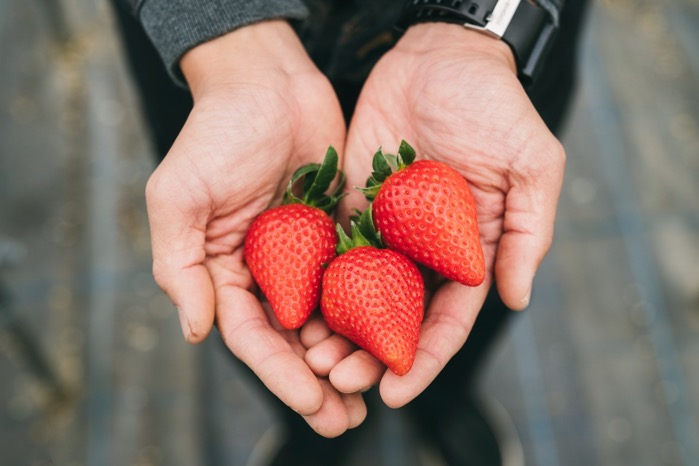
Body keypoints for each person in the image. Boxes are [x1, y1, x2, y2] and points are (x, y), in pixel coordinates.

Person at [110, 1, 590, 464]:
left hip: (474, 55)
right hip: (220, 69)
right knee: (252, 310)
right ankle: (304, 425)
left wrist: (484, 23)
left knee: (478, 277)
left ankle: (446, 396)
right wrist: (220, 38)